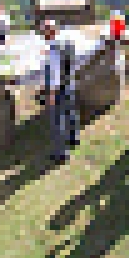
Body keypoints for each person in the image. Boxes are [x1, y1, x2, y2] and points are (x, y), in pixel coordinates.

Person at [42, 19, 79, 164]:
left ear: (48, 32)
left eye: (43, 30)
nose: (42, 33)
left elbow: (55, 75)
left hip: (59, 88)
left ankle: (60, 154)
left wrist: (51, 95)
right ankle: (73, 138)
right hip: (69, 81)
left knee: (58, 120)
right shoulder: (65, 41)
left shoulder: (53, 50)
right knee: (70, 112)